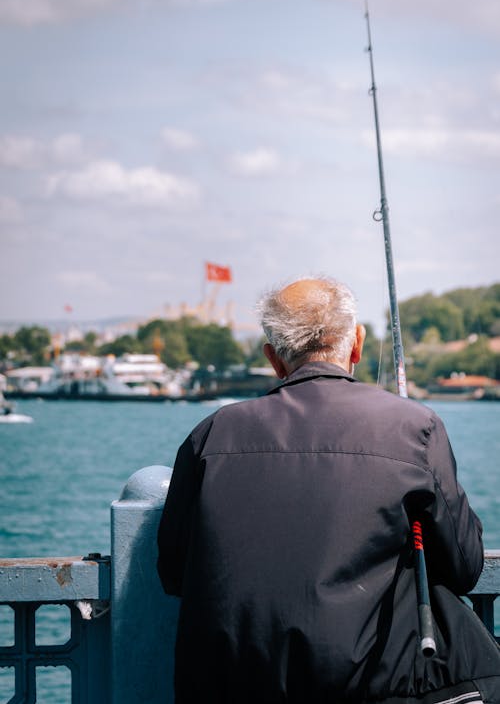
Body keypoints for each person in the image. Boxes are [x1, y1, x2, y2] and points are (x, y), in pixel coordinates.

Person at [157, 276, 500, 704]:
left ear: (273, 359)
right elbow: (464, 566)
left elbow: (173, 573)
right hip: (368, 686)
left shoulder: (209, 434)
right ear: (356, 344)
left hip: (228, 686)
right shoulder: (415, 428)